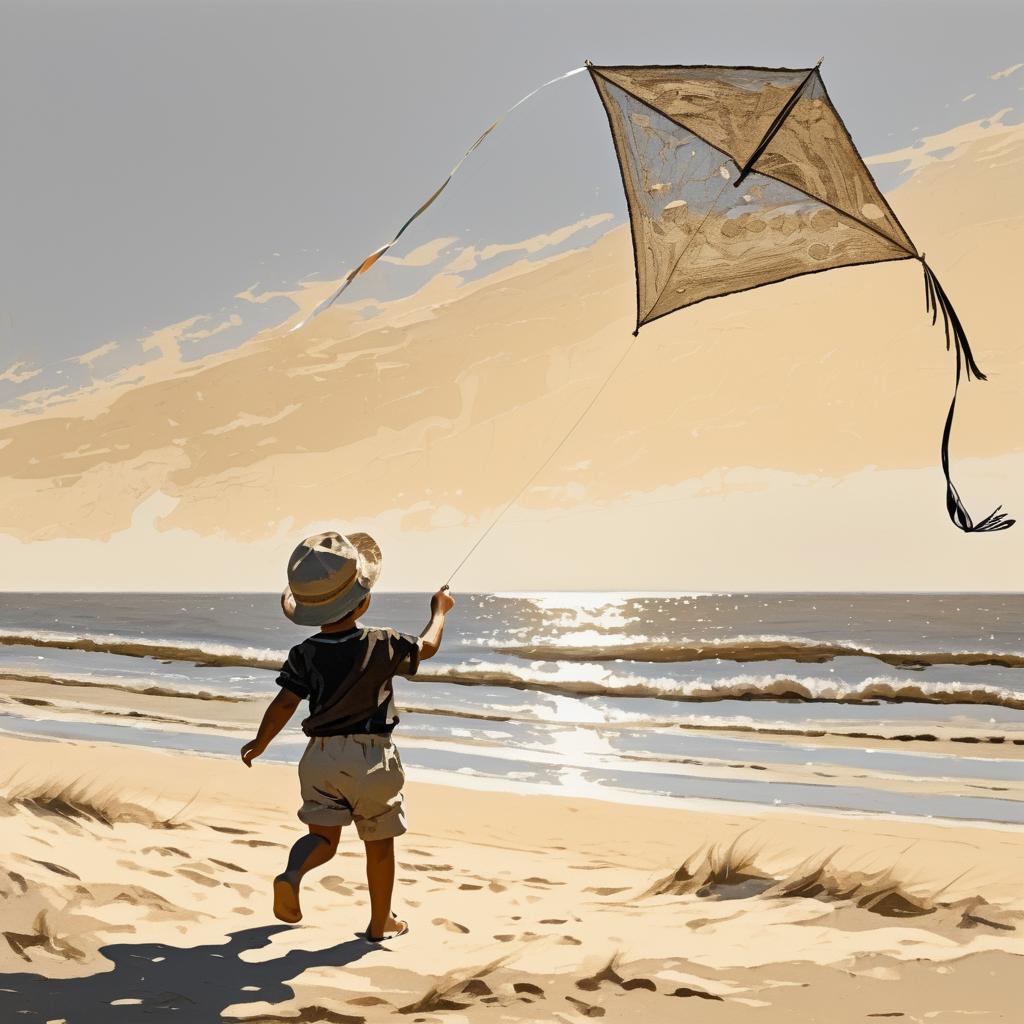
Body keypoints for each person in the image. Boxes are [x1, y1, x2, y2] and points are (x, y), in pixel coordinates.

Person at [239, 529, 454, 941]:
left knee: (322, 837)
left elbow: (284, 703)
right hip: (370, 757)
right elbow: (426, 648)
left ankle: (292, 872)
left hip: (318, 758)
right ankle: (380, 922)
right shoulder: (384, 642)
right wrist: (440, 610)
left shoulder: (304, 652)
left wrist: (261, 741)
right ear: (364, 600)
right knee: (379, 842)